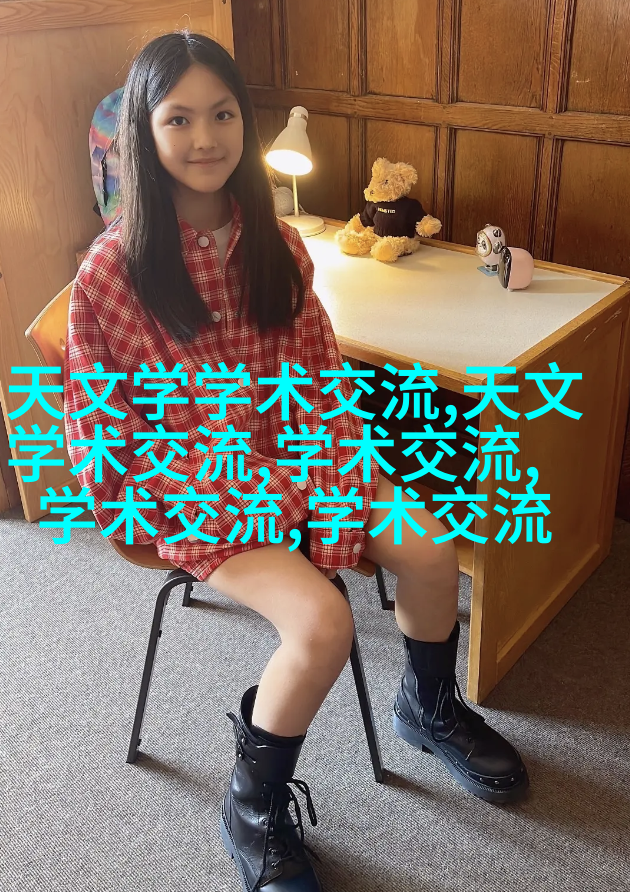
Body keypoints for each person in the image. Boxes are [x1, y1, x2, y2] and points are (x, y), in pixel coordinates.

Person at [64, 31, 528, 892]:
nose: (205, 137)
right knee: (322, 623)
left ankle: (428, 706)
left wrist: (339, 467)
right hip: (195, 487)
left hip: (304, 455)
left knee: (432, 551)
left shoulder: (277, 242)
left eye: (222, 114)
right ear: (144, 131)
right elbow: (102, 434)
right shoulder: (111, 274)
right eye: (178, 119)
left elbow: (320, 375)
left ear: (245, 120)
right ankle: (251, 805)